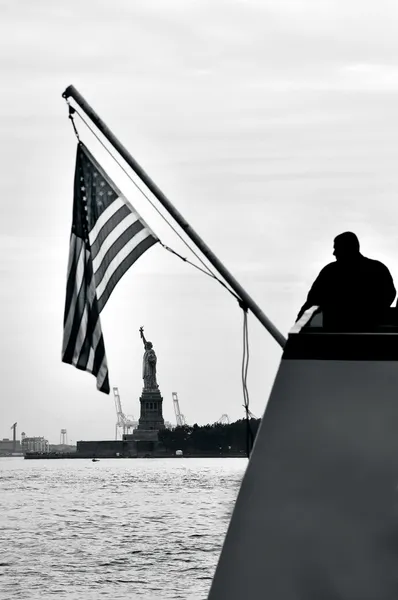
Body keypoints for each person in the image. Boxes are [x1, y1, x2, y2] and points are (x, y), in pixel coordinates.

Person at [296, 232, 396, 330]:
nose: (334, 253)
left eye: (336, 248)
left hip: (335, 332)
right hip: (369, 332)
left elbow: (311, 303)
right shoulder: (377, 268)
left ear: (347, 248)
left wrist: (297, 327)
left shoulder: (330, 272)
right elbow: (390, 294)